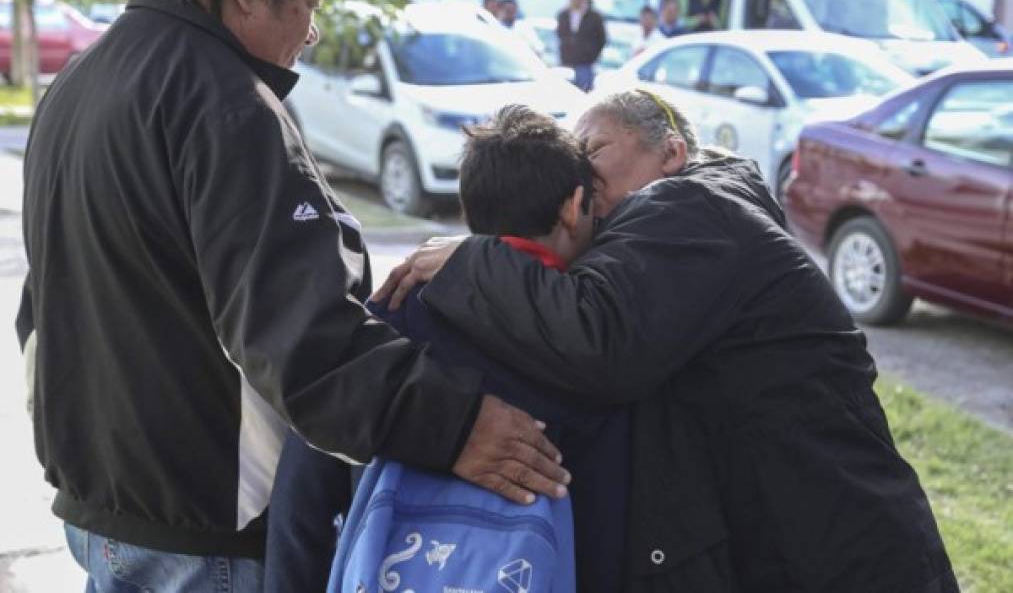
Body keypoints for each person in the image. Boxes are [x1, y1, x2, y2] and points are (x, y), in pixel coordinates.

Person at [16, 0, 566, 589]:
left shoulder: (80, 78)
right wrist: (455, 424)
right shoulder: (224, 102)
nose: (312, 30)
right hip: (199, 522)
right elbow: (299, 334)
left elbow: (39, 307)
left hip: (101, 509)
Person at [376, 91, 959, 592]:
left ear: (672, 152)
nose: (581, 169)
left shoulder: (693, 207)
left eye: (594, 149)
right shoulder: (678, 228)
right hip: (817, 540)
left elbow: (597, 338)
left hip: (844, 551)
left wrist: (476, 257)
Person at [266, 106, 630, 593]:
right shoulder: (595, 338)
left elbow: (303, 500)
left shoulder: (391, 315)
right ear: (573, 206)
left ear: (469, 209)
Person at [556, 0, 606, 92]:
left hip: (585, 65)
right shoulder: (563, 15)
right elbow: (559, 35)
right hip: (567, 63)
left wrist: (592, 56)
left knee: (584, 93)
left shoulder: (595, 16)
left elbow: (602, 39)